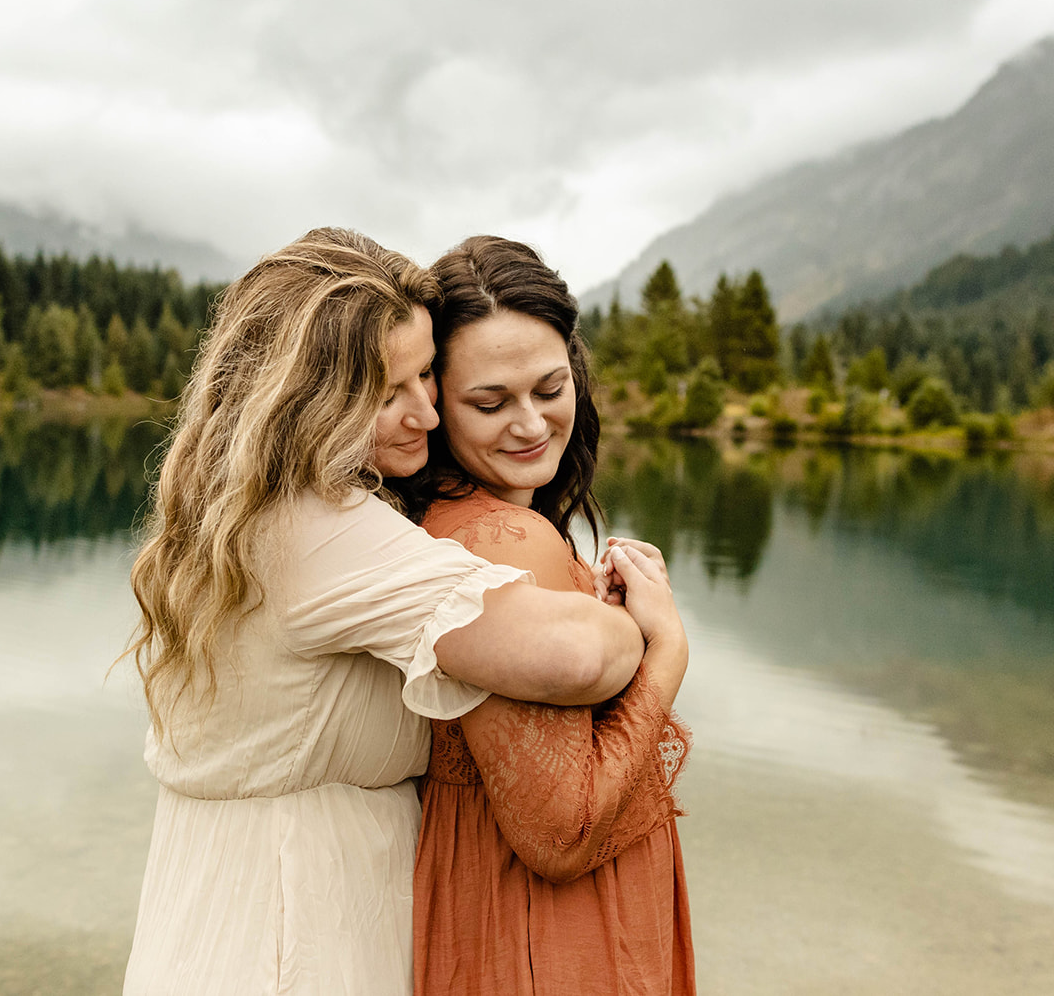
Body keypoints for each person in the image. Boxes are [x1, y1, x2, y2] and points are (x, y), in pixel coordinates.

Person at [120, 227, 673, 996]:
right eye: (386, 394)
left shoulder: (246, 509)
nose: (427, 414)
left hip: (225, 919)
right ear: (305, 399)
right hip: (294, 942)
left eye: (424, 377)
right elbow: (576, 656)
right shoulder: (319, 530)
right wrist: (652, 630)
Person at [397, 236, 695, 995]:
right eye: (490, 403)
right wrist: (666, 649)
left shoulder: (463, 523)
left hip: (509, 919)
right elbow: (563, 831)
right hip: (551, 938)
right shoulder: (505, 539)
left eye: (551, 388)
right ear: (435, 404)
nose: (530, 425)